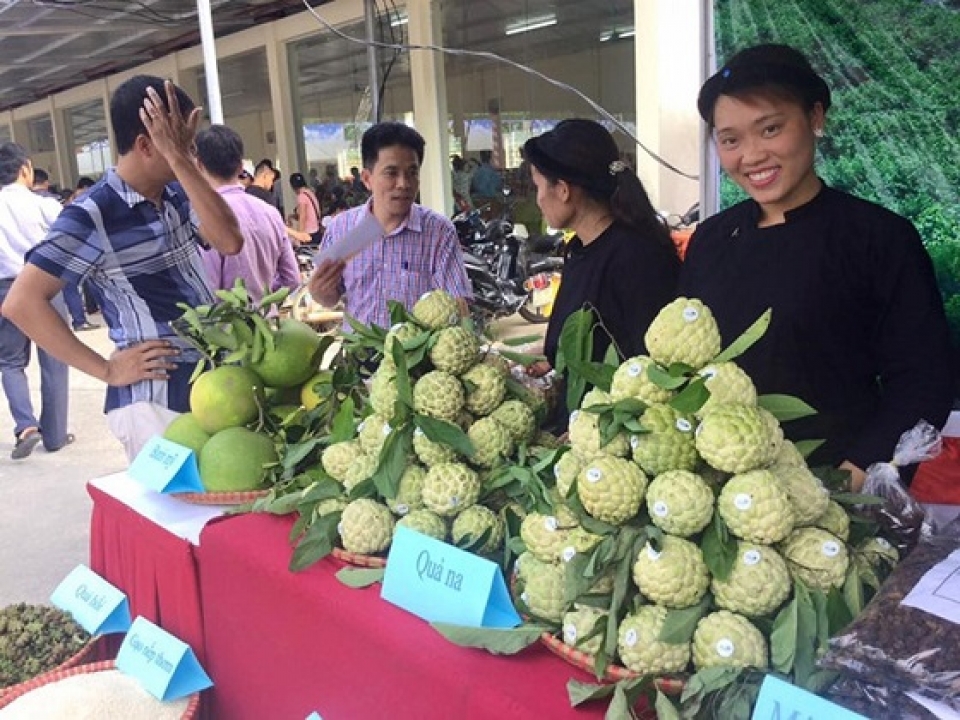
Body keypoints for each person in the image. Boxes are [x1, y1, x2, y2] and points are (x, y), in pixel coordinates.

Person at [680, 43, 955, 490]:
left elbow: (923, 379)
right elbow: (683, 365)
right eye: (730, 140)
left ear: (815, 117)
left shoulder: (878, 237)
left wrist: (850, 480)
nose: (751, 155)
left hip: (832, 496)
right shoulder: (711, 240)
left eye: (770, 129)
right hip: (721, 494)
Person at [1, 75, 243, 461]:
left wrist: (182, 162)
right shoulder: (92, 214)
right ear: (145, 145)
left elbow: (230, 241)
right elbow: (20, 303)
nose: (191, 154)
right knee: (170, 498)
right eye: (182, 143)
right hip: (153, 401)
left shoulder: (178, 190)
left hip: (209, 384)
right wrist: (107, 370)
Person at [522, 119, 680, 422]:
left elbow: (652, 362)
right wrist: (552, 355)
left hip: (617, 428)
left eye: (538, 187)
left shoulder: (636, 257)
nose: (537, 199)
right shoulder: (578, 249)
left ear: (563, 190)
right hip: (581, 425)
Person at [308, 121, 472, 329]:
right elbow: (329, 296)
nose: (403, 184)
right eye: (391, 173)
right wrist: (319, 292)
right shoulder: (343, 229)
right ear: (367, 179)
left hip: (415, 350)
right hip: (358, 348)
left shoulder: (438, 232)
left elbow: (458, 304)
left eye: (412, 173)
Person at [0, 143, 74, 459]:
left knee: (10, 362)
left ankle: (26, 426)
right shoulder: (44, 205)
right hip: (45, 288)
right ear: (25, 169)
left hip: (6, 289)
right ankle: (55, 435)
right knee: (55, 356)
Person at [195, 125, 299, 304]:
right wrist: (264, 297)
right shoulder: (270, 213)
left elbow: (208, 291)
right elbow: (292, 279)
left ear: (198, 166)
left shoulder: (205, 217)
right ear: (241, 167)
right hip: (266, 318)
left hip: (226, 320)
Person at [289, 171, 322, 246]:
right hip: (316, 231)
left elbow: (302, 217)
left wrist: (299, 237)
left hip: (308, 233)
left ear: (293, 186)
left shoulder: (302, 196)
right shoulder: (310, 193)